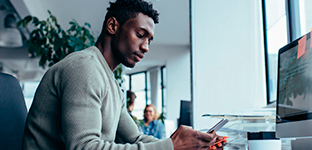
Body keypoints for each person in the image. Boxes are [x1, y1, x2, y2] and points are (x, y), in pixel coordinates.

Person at [22, 0, 225, 149]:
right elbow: (84, 147)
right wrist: (171, 146)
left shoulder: (111, 84)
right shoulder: (84, 68)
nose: (146, 47)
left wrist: (192, 142)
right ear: (112, 26)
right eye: (140, 35)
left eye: (150, 40)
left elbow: (136, 139)